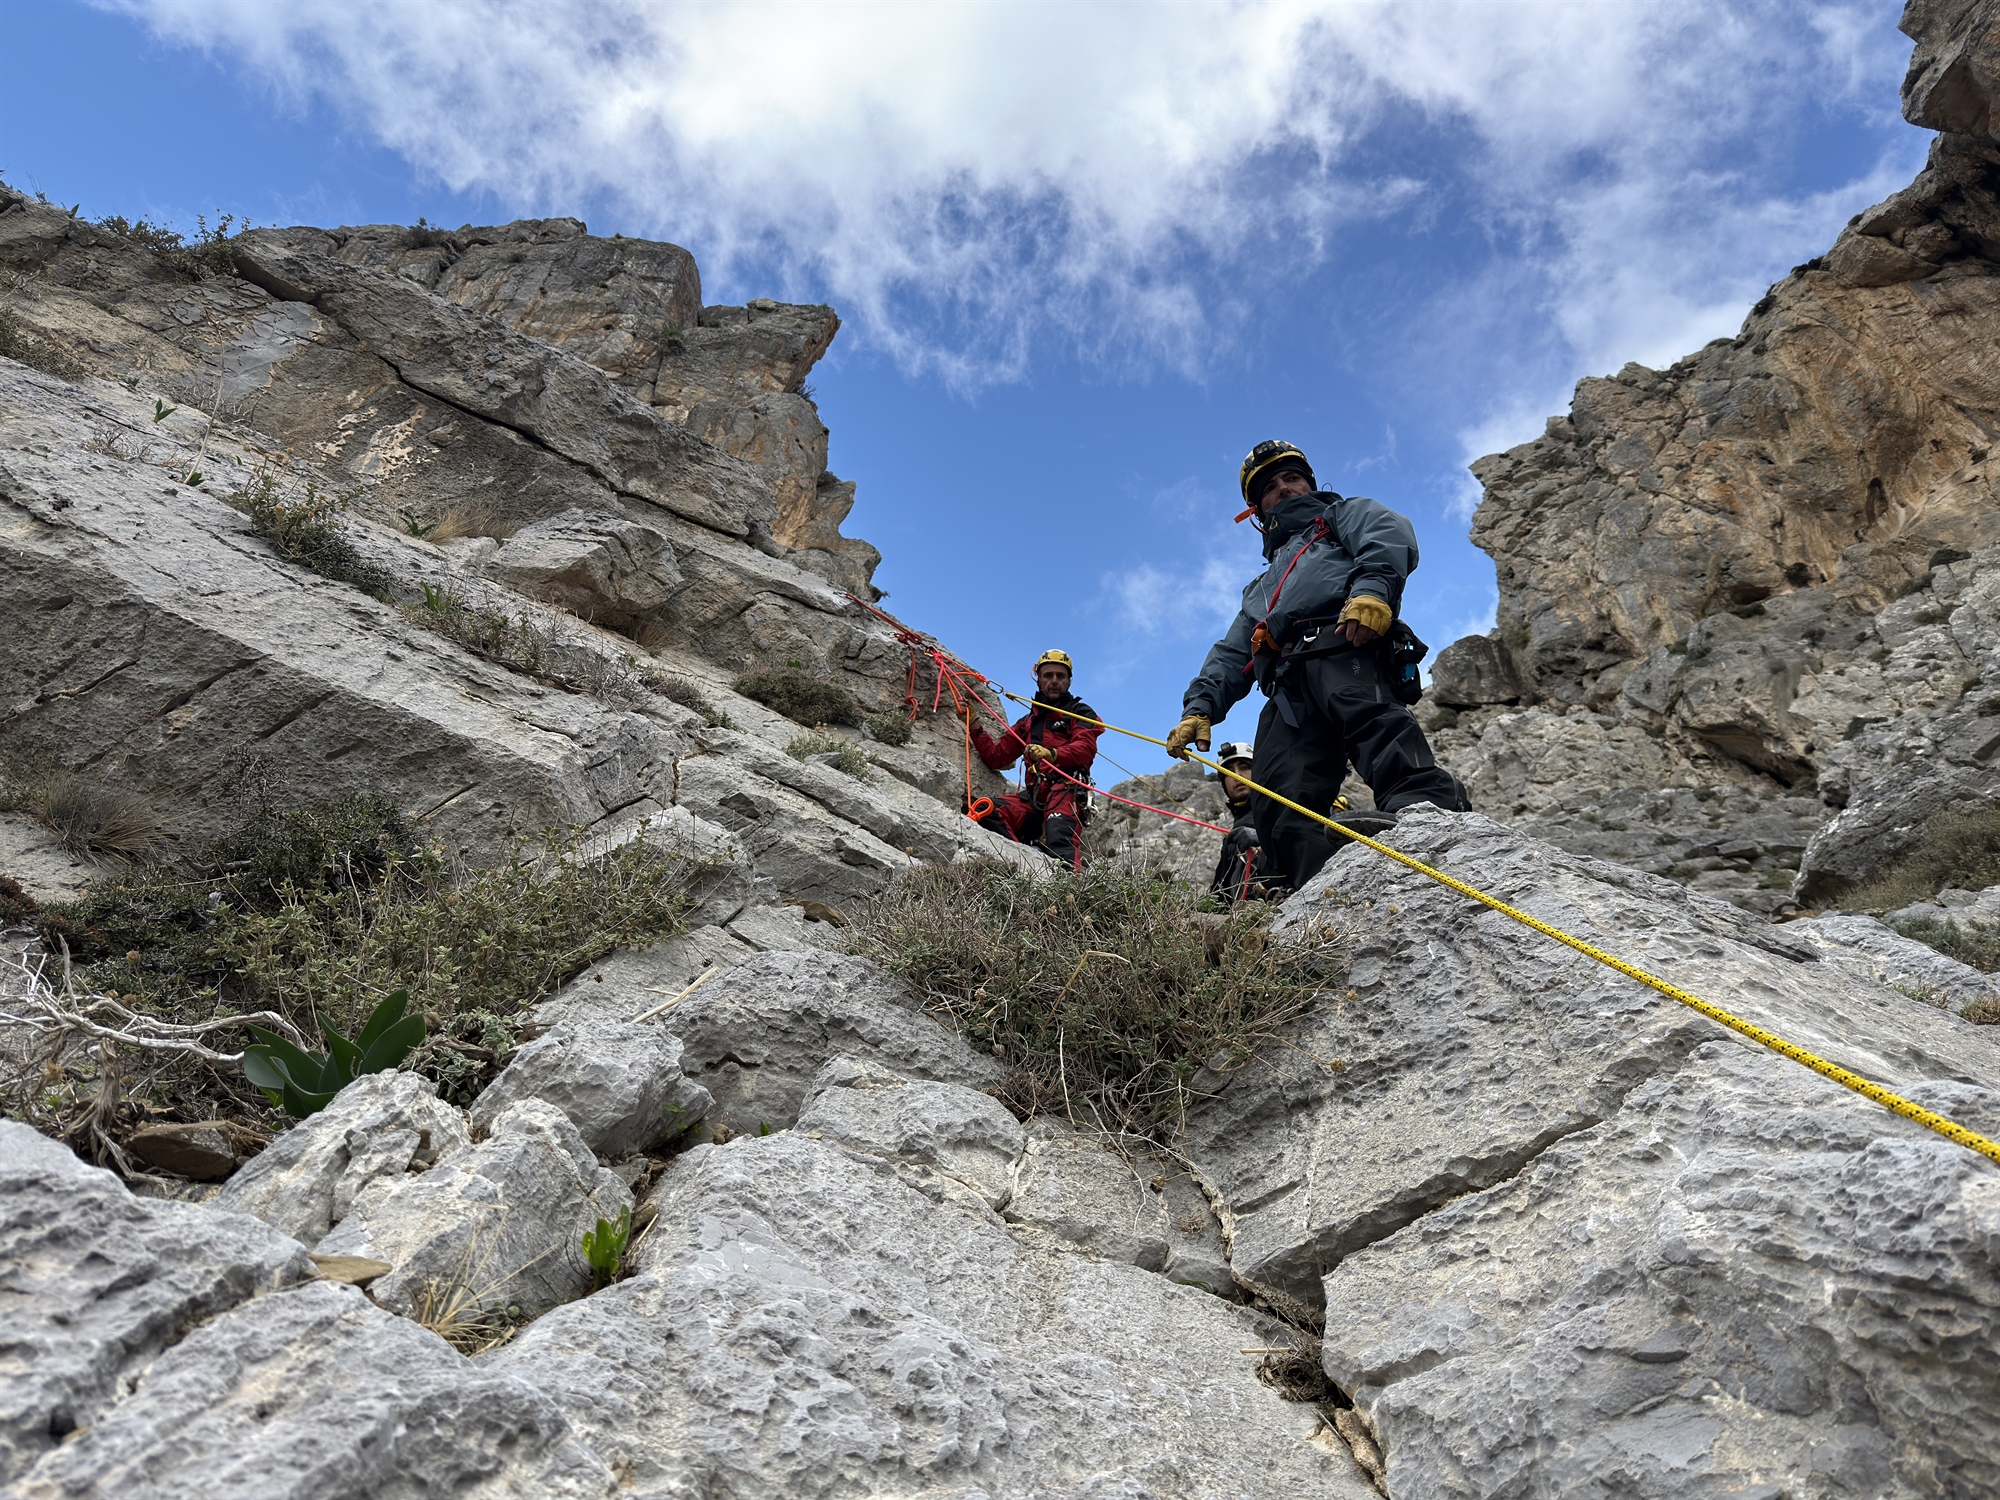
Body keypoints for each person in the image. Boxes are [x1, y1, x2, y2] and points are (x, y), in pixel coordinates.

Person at [1166, 439, 1469, 892]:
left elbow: (1387, 532)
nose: (1284, 489)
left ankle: (1430, 818)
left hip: (1344, 638)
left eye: (1292, 478)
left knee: (1376, 727)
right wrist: (1201, 706)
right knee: (1277, 789)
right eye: (1270, 487)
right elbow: (1233, 651)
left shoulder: (1340, 517)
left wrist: (1373, 590)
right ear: (1257, 510)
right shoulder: (1260, 586)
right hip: (1286, 680)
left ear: (1310, 482)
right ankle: (1312, 889)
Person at [962, 648, 1102, 871]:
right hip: (1035, 797)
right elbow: (997, 757)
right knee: (987, 811)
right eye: (1048, 675)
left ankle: (1071, 887)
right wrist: (974, 725)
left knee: (1060, 841)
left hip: (1065, 791)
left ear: (1069, 681)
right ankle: (1024, 870)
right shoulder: (1028, 722)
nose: (1054, 681)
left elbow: (1085, 748)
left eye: (1060, 676)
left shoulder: (1080, 712)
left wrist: (1051, 754)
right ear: (1038, 679)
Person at [1208, 742, 1272, 901]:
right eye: (1228, 772)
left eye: (1244, 767)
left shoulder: (1281, 809)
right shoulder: (1231, 840)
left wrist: (1261, 839)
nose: (1237, 776)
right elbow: (1219, 895)